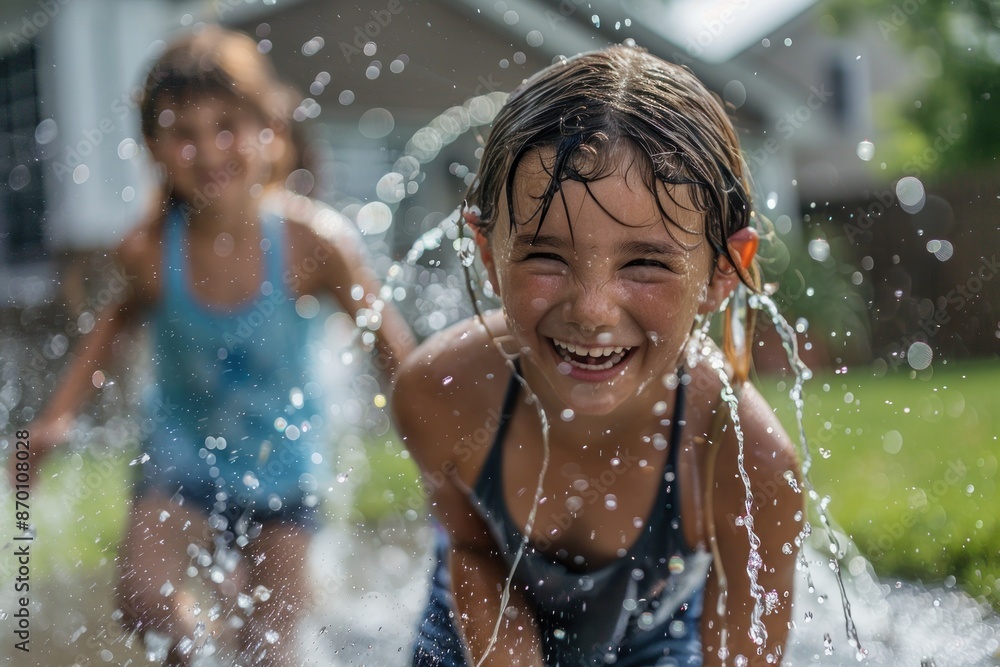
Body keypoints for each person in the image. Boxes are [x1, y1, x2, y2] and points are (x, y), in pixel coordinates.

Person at [392, 45, 803, 666]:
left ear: (723, 270)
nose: (592, 310)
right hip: (474, 632)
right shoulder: (441, 390)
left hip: (652, 646)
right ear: (486, 251)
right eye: (545, 255)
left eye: (645, 263)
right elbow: (473, 550)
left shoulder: (746, 464)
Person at [15, 25, 413, 666]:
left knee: (271, 647)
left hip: (286, 471)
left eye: (227, 125)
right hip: (181, 462)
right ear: (153, 148)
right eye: (183, 133)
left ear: (271, 132)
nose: (207, 150)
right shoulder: (148, 252)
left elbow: (391, 347)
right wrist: (56, 419)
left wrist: (440, 433)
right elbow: (112, 330)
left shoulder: (314, 245)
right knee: (144, 601)